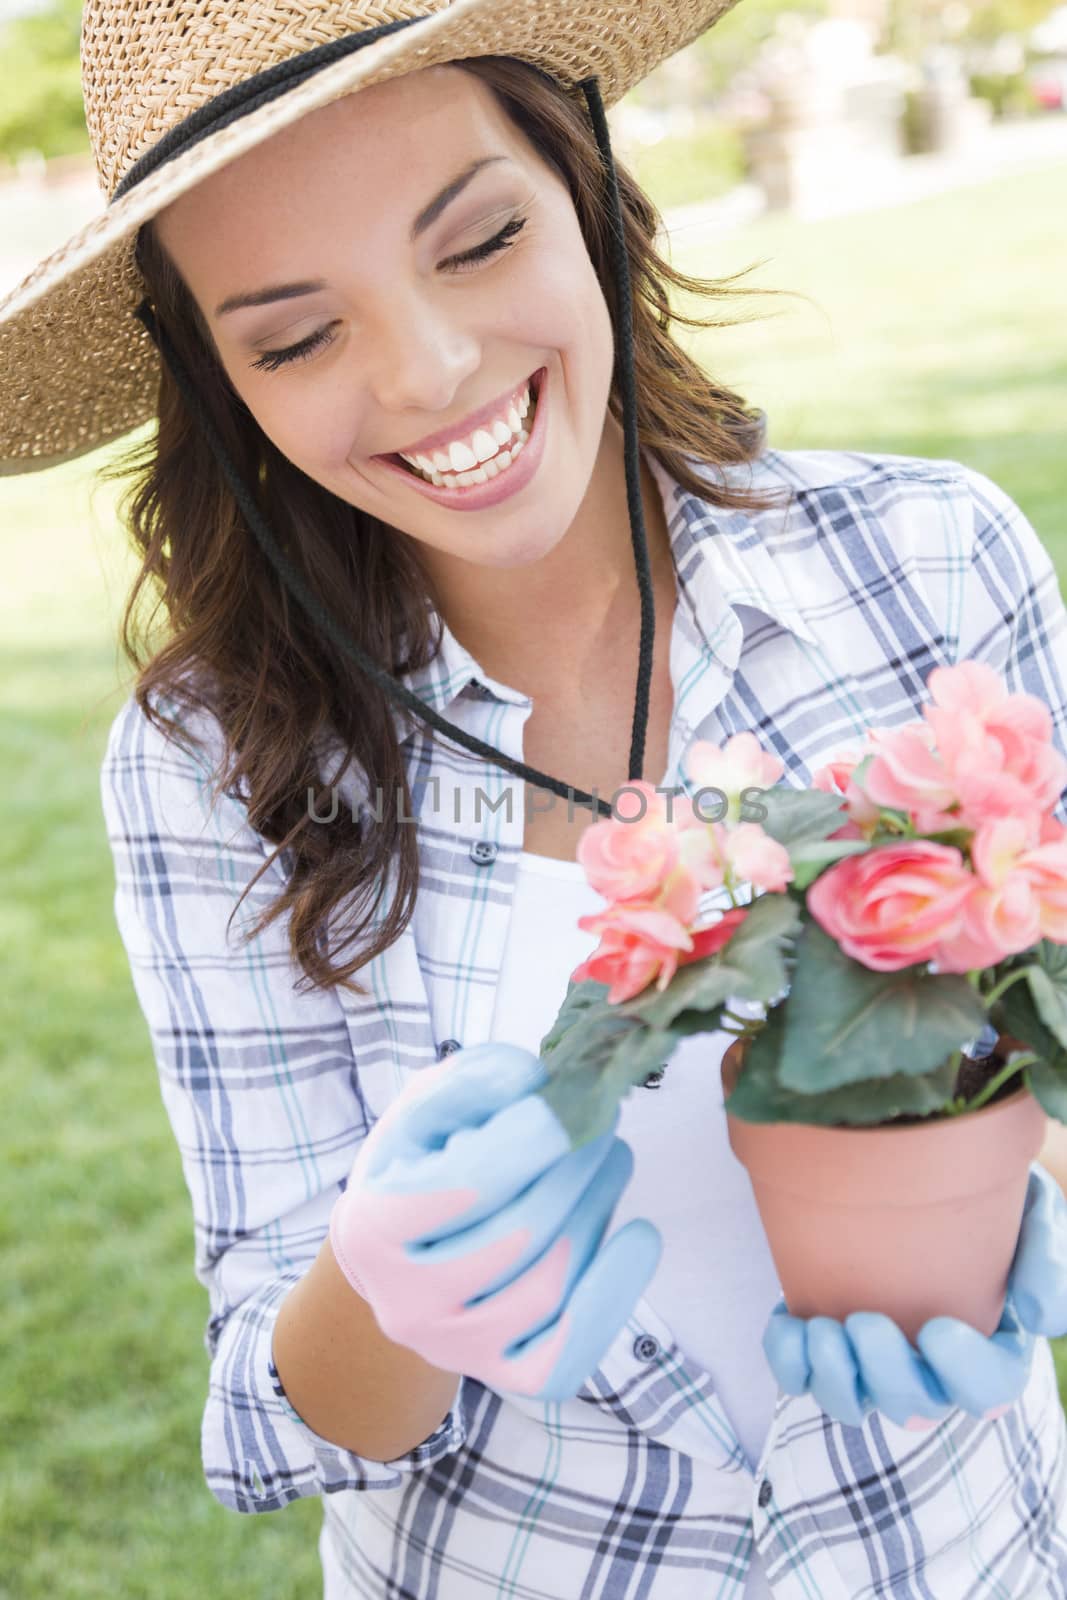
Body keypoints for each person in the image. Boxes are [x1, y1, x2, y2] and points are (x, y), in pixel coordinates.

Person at [3, 2, 1067, 1596]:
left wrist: (1014, 1201)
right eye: (295, 338)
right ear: (221, 386)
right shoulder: (206, 765)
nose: (431, 373)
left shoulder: (928, 560)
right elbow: (270, 1419)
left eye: (481, 238)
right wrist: (386, 1292)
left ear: (582, 183)